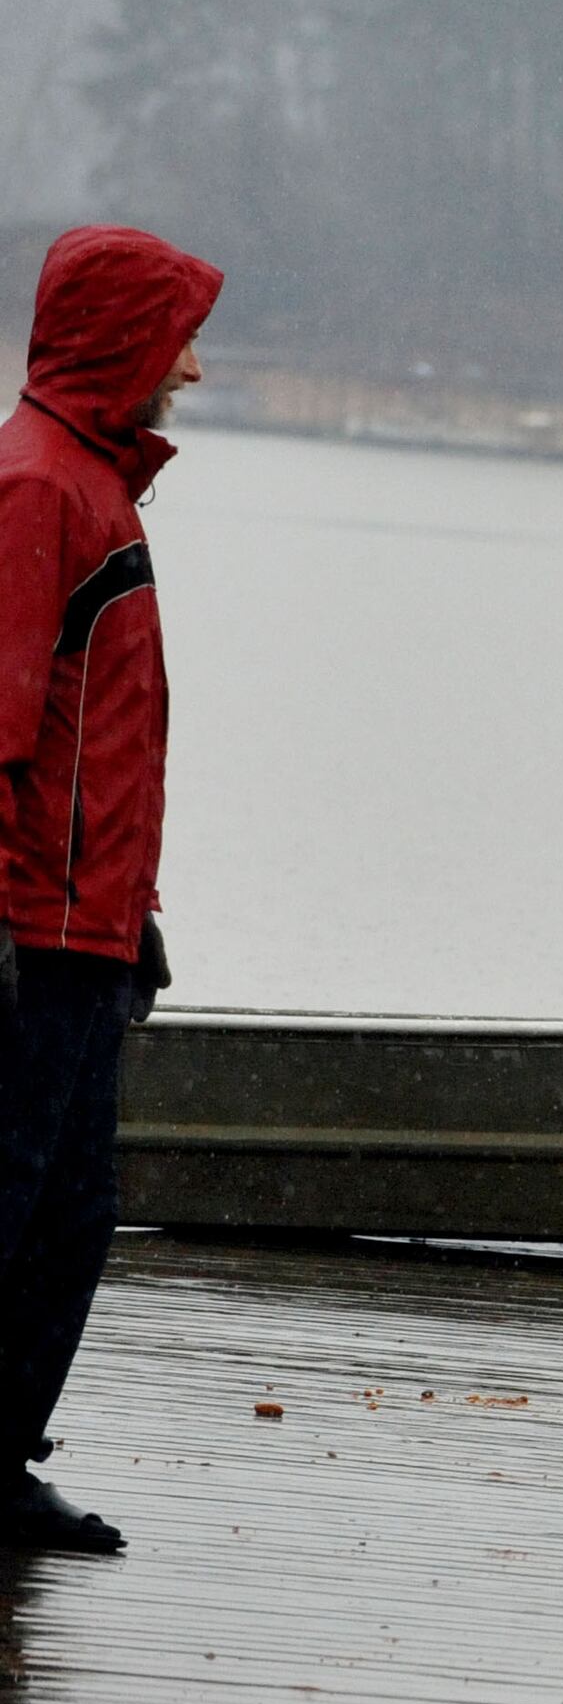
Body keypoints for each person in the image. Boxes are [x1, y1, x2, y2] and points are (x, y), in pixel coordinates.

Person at [0, 225, 220, 1557]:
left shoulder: (88, 481)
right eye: (176, 336)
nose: (189, 369)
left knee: (69, 1208)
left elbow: (99, 741)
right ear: (121, 341)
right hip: (28, 926)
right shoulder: (40, 489)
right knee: (13, 1196)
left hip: (86, 923)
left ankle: (1, 1453)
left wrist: (130, 914)